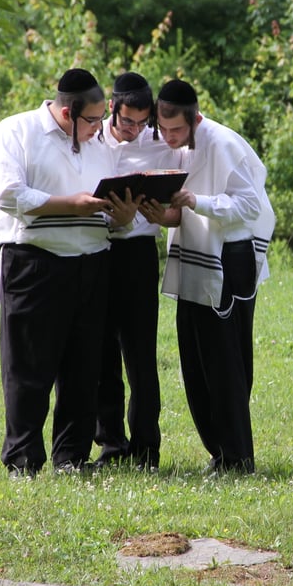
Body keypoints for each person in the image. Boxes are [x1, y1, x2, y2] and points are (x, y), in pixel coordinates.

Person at [0, 68, 138, 477]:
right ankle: (23, 460)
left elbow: (113, 217)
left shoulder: (99, 145)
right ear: (67, 114)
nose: (99, 128)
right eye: (92, 120)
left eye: (103, 119)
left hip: (92, 262)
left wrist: (123, 215)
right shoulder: (15, 132)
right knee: (29, 367)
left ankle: (71, 457)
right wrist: (71, 204)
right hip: (34, 262)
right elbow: (9, 194)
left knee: (83, 368)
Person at [141, 79, 275, 475]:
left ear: (196, 118)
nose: (169, 137)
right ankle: (219, 452)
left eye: (177, 130)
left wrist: (197, 201)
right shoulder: (180, 147)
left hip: (230, 259)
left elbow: (250, 205)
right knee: (195, 361)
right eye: (162, 130)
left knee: (225, 363)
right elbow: (184, 211)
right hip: (194, 255)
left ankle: (238, 458)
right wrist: (161, 214)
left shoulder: (223, 143)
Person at [93, 72, 185, 470]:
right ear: (113, 109)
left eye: (142, 123)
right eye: (127, 121)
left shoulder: (158, 145)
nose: (134, 130)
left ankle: (147, 449)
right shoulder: (89, 139)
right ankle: (111, 445)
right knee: (100, 354)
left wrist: (161, 213)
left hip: (138, 255)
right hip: (95, 252)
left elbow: (179, 203)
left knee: (141, 355)